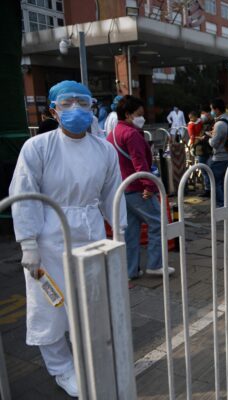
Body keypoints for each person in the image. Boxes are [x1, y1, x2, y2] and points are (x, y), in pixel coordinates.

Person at [9, 80, 127, 397]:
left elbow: (112, 195)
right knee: (50, 306)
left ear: (92, 108)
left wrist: (119, 231)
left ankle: (90, 358)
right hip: (48, 237)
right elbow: (24, 196)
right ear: (53, 110)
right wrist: (28, 244)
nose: (75, 108)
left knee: (89, 301)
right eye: (67, 103)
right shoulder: (38, 148)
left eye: (82, 102)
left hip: (90, 233)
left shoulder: (104, 150)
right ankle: (62, 369)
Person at [108, 95, 175, 279]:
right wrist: (148, 185)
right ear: (128, 114)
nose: (142, 118)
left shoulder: (112, 133)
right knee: (158, 223)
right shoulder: (131, 134)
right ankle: (155, 264)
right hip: (137, 187)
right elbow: (140, 164)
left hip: (122, 189)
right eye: (139, 114)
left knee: (131, 231)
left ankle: (130, 270)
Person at [207, 98, 228, 217]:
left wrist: (209, 138)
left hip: (220, 158)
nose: (211, 112)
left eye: (212, 109)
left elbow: (214, 143)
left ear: (217, 109)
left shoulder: (219, 124)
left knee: (214, 182)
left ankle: (221, 206)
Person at [188, 109, 212, 196]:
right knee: (208, 169)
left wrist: (192, 143)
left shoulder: (193, 125)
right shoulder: (207, 124)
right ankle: (211, 188)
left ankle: (208, 189)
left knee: (204, 170)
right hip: (208, 148)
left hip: (200, 148)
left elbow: (192, 137)